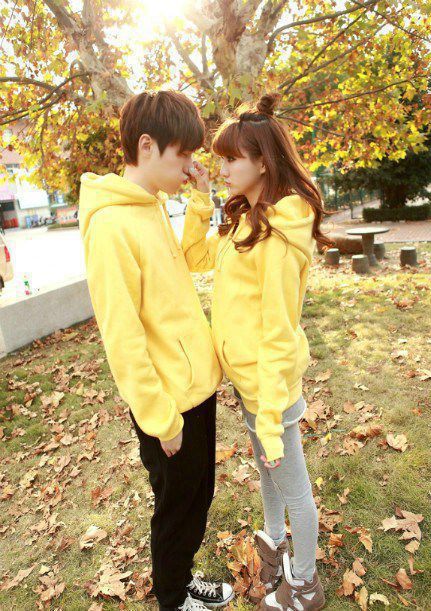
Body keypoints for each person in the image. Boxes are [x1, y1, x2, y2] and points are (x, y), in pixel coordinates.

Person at [79, 90, 233, 611]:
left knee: (197, 497)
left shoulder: (150, 207)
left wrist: (201, 199)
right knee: (176, 508)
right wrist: (159, 419)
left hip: (195, 386)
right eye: (182, 154)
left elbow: (191, 260)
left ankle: (182, 579)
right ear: (147, 146)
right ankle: (173, 598)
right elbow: (121, 336)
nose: (189, 166)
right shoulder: (111, 225)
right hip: (167, 403)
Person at [182, 92, 333, 611]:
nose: (222, 169)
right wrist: (201, 198)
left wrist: (269, 420)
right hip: (250, 383)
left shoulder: (280, 233)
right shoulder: (247, 220)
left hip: (272, 389)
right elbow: (195, 257)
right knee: (269, 475)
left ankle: (305, 585)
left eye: (231, 160)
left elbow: (277, 332)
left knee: (295, 490)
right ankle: (274, 547)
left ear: (263, 162)